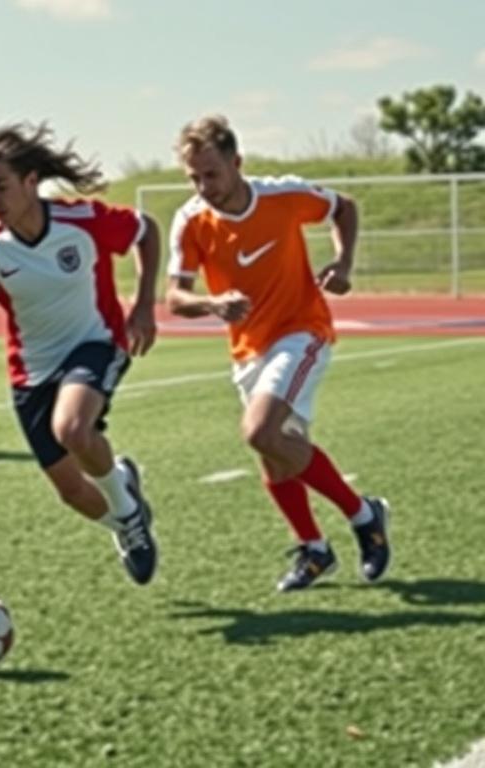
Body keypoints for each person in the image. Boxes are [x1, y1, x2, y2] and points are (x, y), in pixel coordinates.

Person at [166, 114, 390, 592]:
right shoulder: (190, 222)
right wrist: (210, 303)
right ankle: (314, 548)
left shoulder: (282, 196)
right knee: (275, 456)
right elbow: (174, 298)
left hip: (301, 331)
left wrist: (344, 263)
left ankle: (363, 515)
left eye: (212, 174)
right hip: (247, 348)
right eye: (193, 177)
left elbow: (344, 208)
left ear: (236, 163)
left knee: (260, 431)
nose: (204, 187)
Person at [0, 122, 161, 586]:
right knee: (73, 493)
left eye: (1, 187)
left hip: (96, 342)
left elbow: (147, 232)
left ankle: (128, 519)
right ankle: (126, 510)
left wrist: (144, 305)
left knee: (71, 428)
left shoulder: (82, 220)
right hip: (31, 370)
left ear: (31, 182)